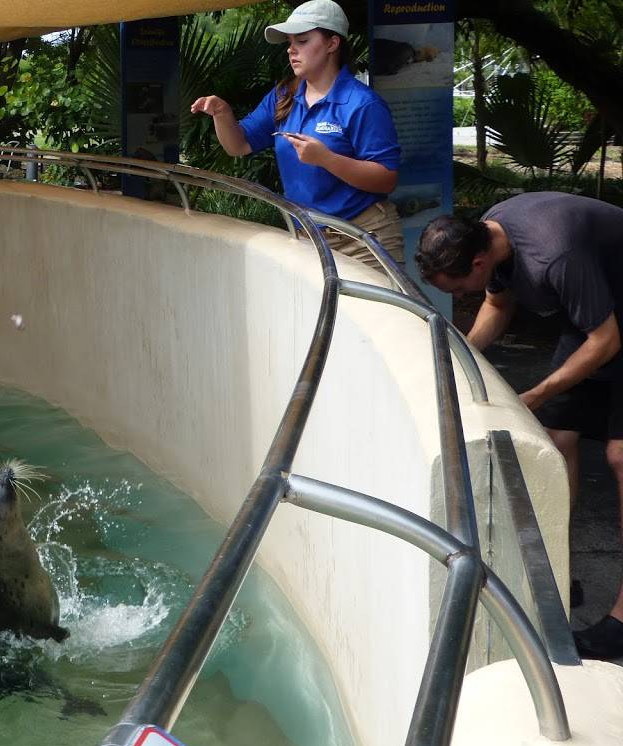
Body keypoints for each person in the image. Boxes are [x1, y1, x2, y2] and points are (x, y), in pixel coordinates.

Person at [415, 191, 623, 659]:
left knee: (619, 457)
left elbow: (605, 341)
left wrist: (535, 393)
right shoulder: (490, 229)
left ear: (479, 259)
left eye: (461, 287)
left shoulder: (556, 254)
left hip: (604, 329)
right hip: (596, 317)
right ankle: (558, 572)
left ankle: (621, 623)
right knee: (555, 438)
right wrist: (457, 359)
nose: (464, 297)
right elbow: (497, 305)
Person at [190, 0, 402, 267]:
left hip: (364, 237)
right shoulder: (283, 96)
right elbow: (239, 145)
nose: (291, 50)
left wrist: (326, 159)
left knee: (374, 311)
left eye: (302, 41)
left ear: (332, 44)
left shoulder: (363, 104)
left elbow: (386, 179)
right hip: (309, 238)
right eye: (290, 42)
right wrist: (222, 114)